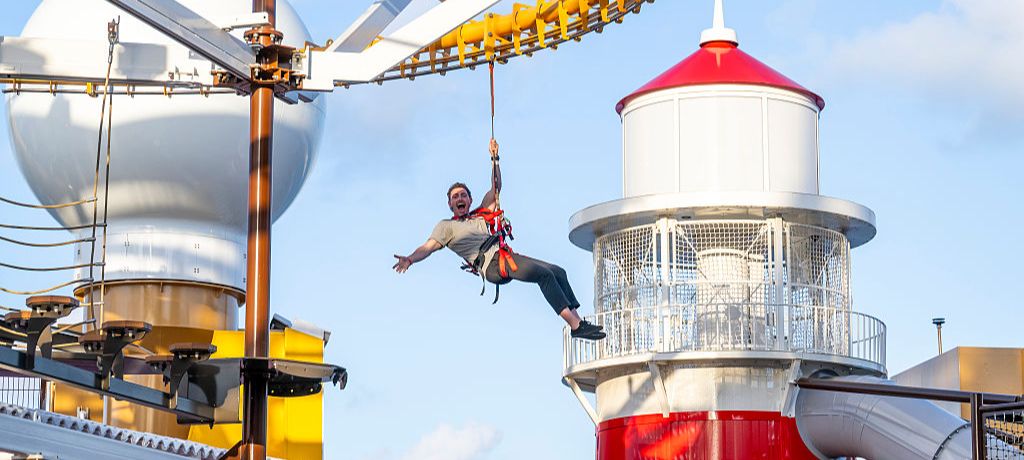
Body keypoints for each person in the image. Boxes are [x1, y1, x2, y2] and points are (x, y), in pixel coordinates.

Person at [393, 140, 605, 340]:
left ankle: (578, 322)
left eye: (463, 195)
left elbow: (496, 188)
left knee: (558, 272)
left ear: (470, 200)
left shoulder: (480, 214)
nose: (460, 199)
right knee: (544, 275)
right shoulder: (446, 227)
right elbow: (428, 247)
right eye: (455, 197)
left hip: (503, 254)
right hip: (491, 264)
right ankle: (575, 327)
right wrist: (410, 259)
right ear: (450, 204)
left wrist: (495, 159)